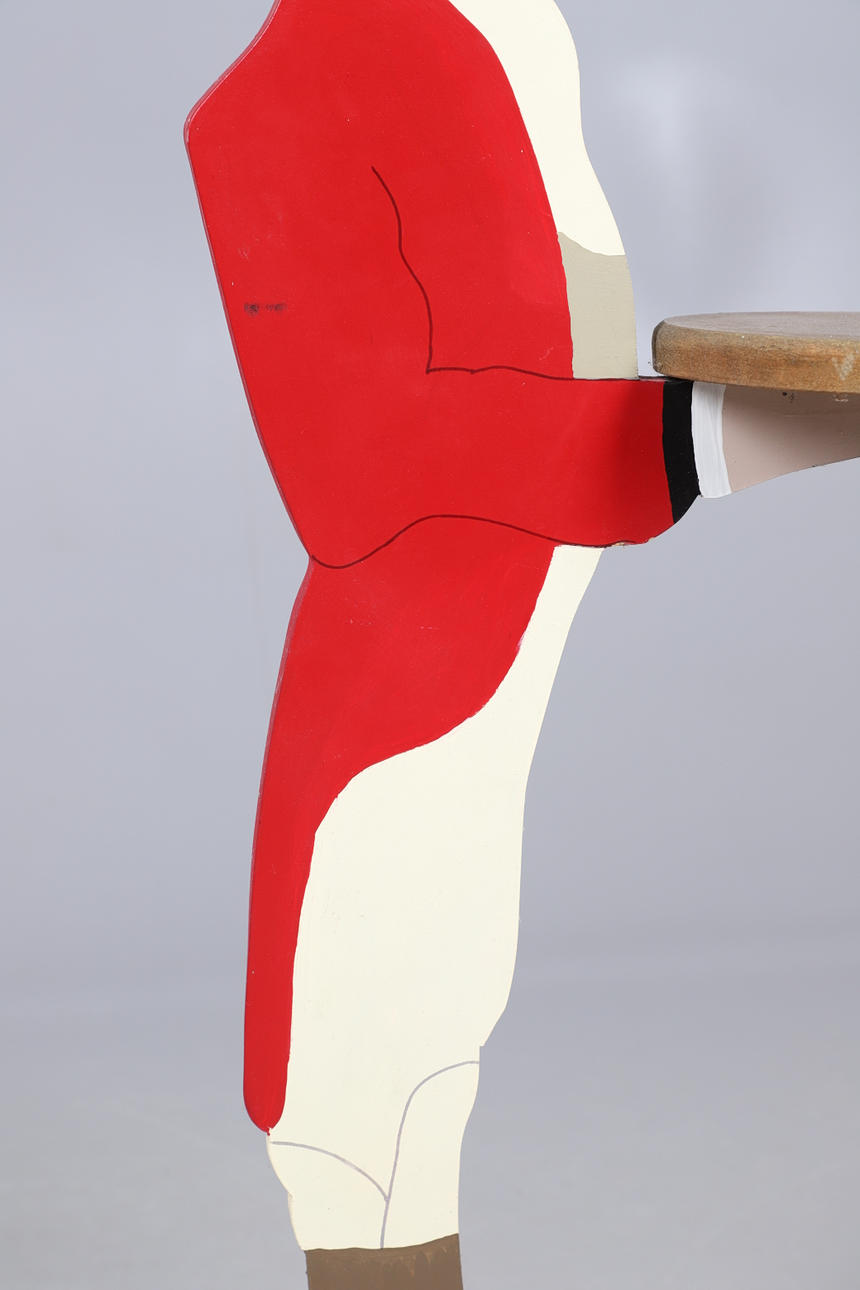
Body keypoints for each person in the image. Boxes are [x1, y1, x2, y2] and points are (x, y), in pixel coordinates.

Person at [186, 2, 860, 1285]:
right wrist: (770, 431)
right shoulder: (288, 94)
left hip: (471, 703)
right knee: (361, 1129)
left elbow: (563, 385)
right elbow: (365, 465)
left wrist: (778, 427)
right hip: (398, 735)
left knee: (419, 1084)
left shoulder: (510, 29)